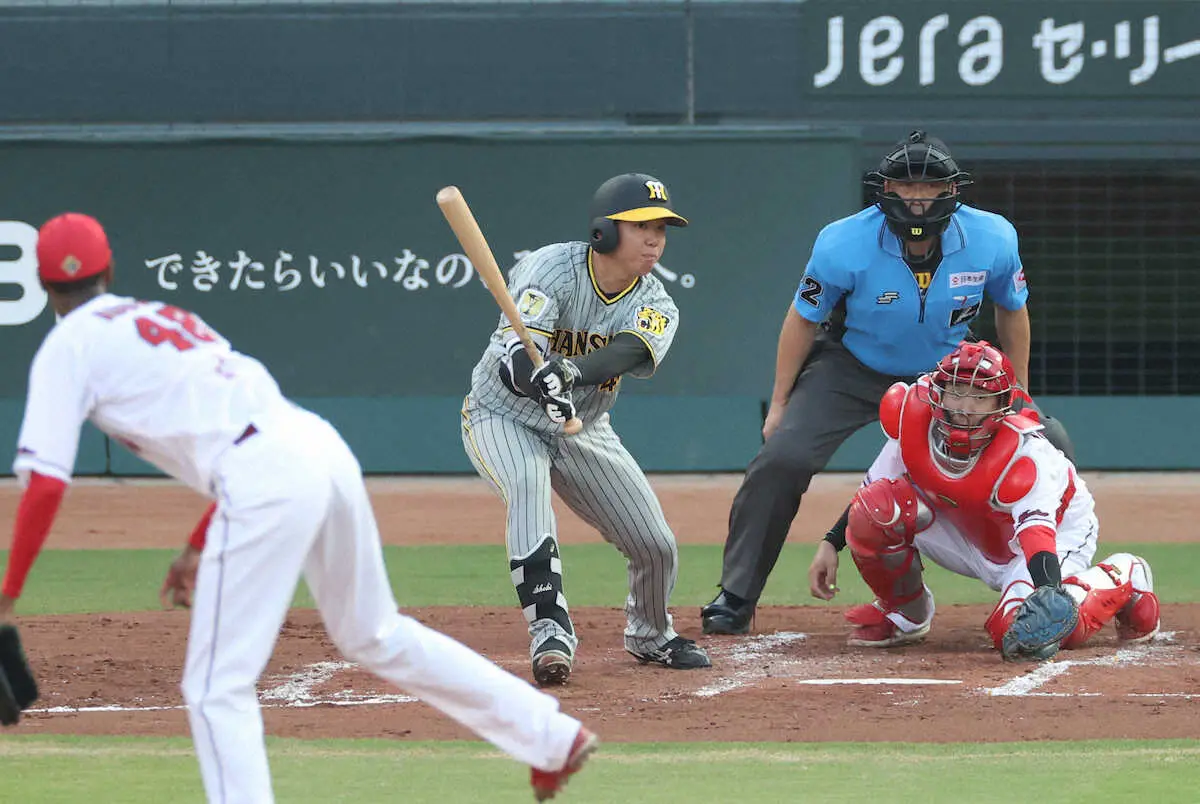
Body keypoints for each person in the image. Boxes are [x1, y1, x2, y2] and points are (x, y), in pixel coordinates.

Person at [1, 213, 597, 803]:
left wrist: (5, 600)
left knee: (216, 689)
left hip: (264, 475)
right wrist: (200, 543)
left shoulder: (67, 345)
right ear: (108, 268)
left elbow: (48, 484)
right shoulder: (163, 319)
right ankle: (550, 735)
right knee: (376, 633)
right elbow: (248, 424)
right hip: (316, 447)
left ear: (44, 282)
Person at [701, 129, 1073, 635]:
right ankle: (736, 595)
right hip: (851, 366)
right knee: (781, 459)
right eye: (904, 185)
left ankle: (1060, 586)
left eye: (931, 187)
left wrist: (1022, 397)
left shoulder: (993, 237)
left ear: (953, 191)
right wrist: (780, 404)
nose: (918, 198)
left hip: (948, 375)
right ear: (884, 189)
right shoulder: (842, 241)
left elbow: (1013, 310)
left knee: (1051, 442)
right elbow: (802, 320)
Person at [461, 172, 711, 686]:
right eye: (641, 225)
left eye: (662, 227)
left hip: (584, 426)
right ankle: (550, 629)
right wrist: (537, 378)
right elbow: (513, 354)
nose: (654, 238)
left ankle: (650, 634)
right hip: (502, 415)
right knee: (528, 489)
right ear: (604, 232)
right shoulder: (549, 268)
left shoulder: (658, 302)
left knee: (655, 544)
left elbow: (632, 350)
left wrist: (570, 372)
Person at [809, 340, 1159, 658]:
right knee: (879, 509)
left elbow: (1037, 536)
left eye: (980, 396)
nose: (964, 407)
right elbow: (875, 488)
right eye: (957, 392)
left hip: (1046, 539)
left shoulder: (1027, 456)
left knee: (1026, 632)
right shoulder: (914, 423)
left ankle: (1123, 577)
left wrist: (1048, 596)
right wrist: (831, 543)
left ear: (1001, 403)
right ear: (939, 393)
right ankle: (905, 614)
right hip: (968, 526)